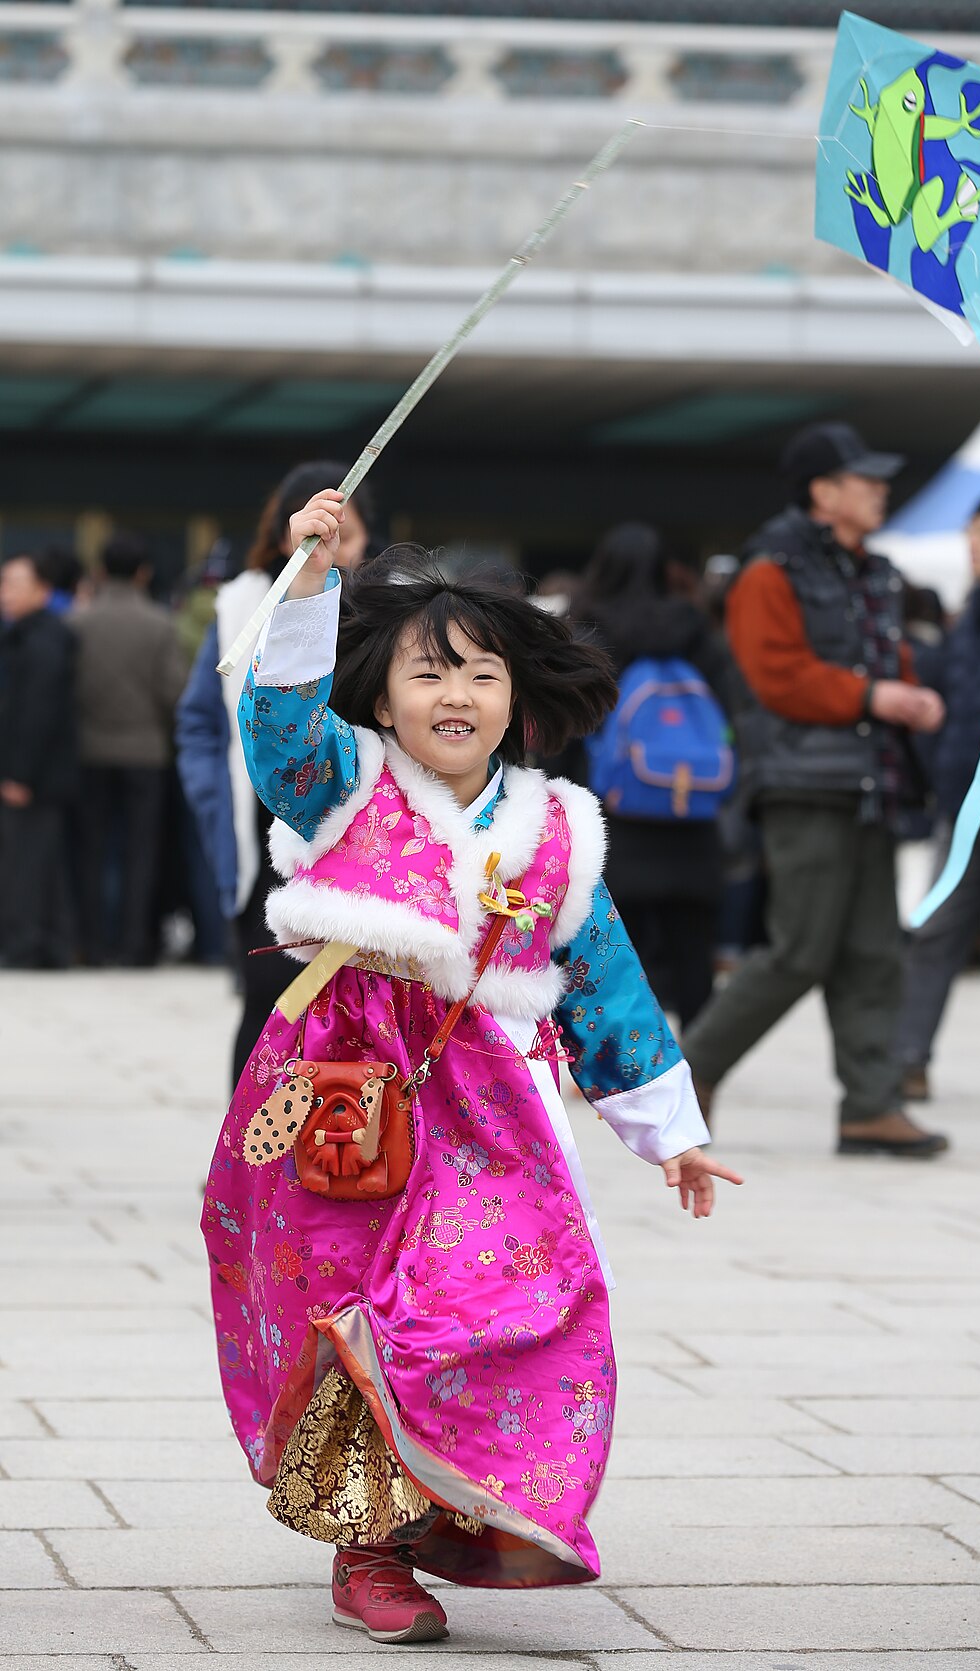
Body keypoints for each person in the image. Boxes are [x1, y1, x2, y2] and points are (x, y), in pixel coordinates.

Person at [203, 498, 742, 1645]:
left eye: (482, 674)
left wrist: (670, 1132)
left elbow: (607, 988)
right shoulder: (337, 778)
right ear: (382, 695)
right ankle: (374, 1548)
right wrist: (307, 581)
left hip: (494, 1108)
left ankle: (478, 1503)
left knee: (491, 1304)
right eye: (428, 673)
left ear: (519, 696)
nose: (456, 695)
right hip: (341, 1094)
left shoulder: (559, 828)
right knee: (347, 1321)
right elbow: (276, 720)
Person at [680, 421, 950, 1157]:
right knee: (800, 948)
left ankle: (871, 1104)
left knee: (874, 951)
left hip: (868, 782)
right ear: (824, 492)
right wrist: (877, 697)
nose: (881, 490)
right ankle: (690, 1071)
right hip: (803, 781)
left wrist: (900, 695)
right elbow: (776, 675)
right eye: (865, 480)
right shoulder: (771, 570)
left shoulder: (873, 569)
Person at [177, 461, 374, 1084]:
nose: (341, 538)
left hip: (359, 829)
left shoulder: (386, 604)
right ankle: (246, 1167)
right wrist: (216, 804)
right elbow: (201, 723)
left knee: (361, 1011)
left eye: (352, 524)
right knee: (270, 1000)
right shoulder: (240, 602)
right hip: (260, 822)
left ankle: (341, 1168)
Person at [575, 523, 733, 1030]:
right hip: (692, 807)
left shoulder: (587, 632)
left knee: (616, 946)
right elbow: (733, 708)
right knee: (694, 948)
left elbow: (567, 727)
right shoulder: (694, 630)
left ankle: (619, 1056)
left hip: (613, 813)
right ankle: (702, 1065)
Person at [897, 494, 980, 1100]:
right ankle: (907, 1062)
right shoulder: (972, 614)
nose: (975, 542)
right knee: (936, 935)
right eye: (972, 529)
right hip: (965, 806)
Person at [73, 533, 188, 966]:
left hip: (89, 750)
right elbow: (173, 693)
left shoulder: (78, 623)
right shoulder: (159, 624)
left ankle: (92, 943)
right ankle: (134, 945)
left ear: (100, 571)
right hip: (145, 753)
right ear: (144, 573)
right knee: (142, 850)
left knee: (91, 850)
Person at [0, 555, 77, 967]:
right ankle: (44, 944)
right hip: (33, 774)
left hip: (36, 777)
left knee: (28, 863)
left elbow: (37, 712)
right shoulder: (23, 634)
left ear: (42, 590)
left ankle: (29, 945)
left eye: (13, 584)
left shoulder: (43, 639)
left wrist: (18, 773)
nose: (4, 593)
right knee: (35, 861)